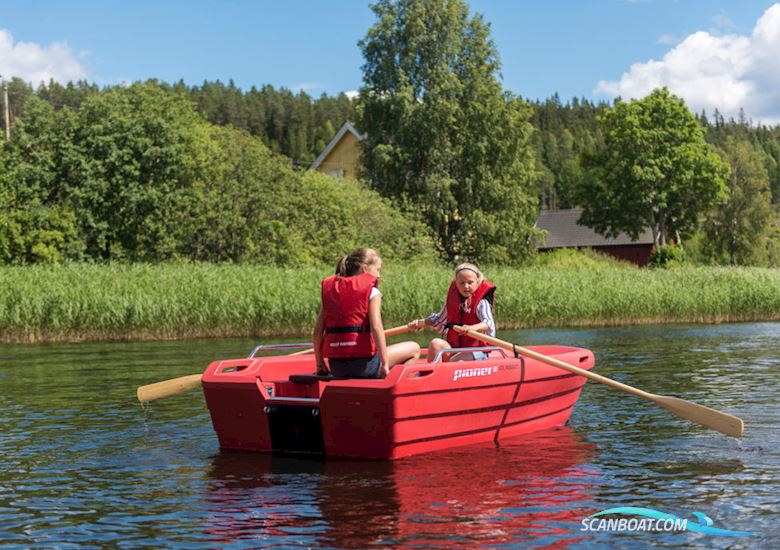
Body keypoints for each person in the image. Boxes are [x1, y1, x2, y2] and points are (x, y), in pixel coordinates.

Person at [313, 247, 420, 379]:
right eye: (378, 269)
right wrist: (385, 364)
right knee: (414, 348)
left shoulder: (332, 293)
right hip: (365, 367)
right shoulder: (372, 292)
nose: (379, 275)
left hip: (337, 368)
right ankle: (395, 390)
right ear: (365, 269)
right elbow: (376, 327)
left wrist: (320, 364)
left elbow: (317, 332)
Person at [408, 262, 496, 362]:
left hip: (477, 352)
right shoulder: (453, 302)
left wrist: (472, 328)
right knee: (435, 343)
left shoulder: (482, 303)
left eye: (470, 282)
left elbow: (488, 322)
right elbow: (438, 319)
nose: (466, 286)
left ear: (477, 282)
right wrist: (420, 323)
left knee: (457, 360)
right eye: (461, 283)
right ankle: (431, 375)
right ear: (456, 284)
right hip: (457, 350)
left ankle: (446, 370)